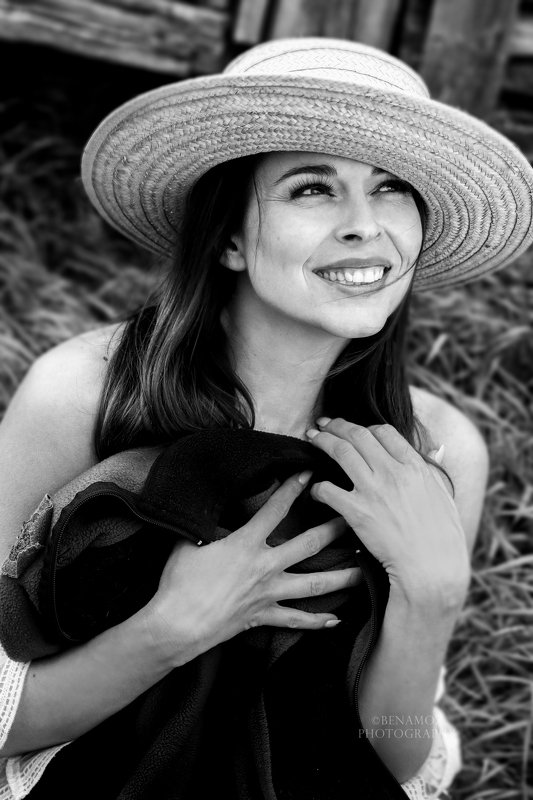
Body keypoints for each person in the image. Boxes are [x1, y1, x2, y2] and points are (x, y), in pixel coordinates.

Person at [0, 37, 531, 800]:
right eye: (312, 189)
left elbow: (397, 761)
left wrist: (432, 595)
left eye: (389, 188)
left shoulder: (437, 449)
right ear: (227, 239)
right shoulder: (83, 395)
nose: (364, 226)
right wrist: (169, 630)